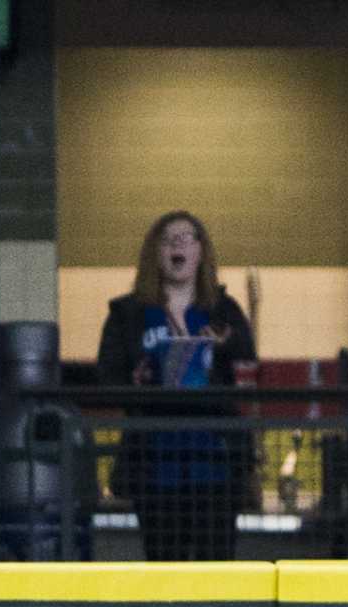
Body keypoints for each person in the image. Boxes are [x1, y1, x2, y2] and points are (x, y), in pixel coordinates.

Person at [95, 210, 257, 561]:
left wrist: (225, 344)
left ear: (201, 252)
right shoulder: (129, 314)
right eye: (168, 240)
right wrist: (134, 380)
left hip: (215, 460)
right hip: (154, 463)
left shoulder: (224, 309)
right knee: (163, 563)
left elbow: (249, 362)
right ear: (155, 254)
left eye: (186, 238)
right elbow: (106, 377)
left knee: (217, 565)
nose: (177, 246)